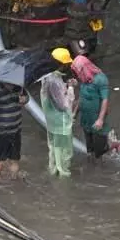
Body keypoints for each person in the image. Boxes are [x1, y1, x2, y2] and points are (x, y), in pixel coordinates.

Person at [69, 54, 115, 163]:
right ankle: (91, 166)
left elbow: (105, 100)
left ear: (84, 68)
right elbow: (82, 97)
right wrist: (75, 113)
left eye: (78, 72)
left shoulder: (101, 79)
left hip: (96, 118)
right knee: (89, 149)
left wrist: (100, 119)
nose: (77, 75)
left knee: (99, 152)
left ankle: (114, 145)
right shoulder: (85, 79)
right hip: (86, 119)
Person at [42, 48, 77, 178]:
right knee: (64, 154)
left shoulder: (47, 77)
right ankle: (64, 180)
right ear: (60, 64)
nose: (67, 66)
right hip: (61, 124)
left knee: (53, 150)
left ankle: (54, 173)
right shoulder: (54, 81)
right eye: (66, 64)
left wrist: (66, 85)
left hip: (52, 123)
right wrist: (71, 89)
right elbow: (63, 105)